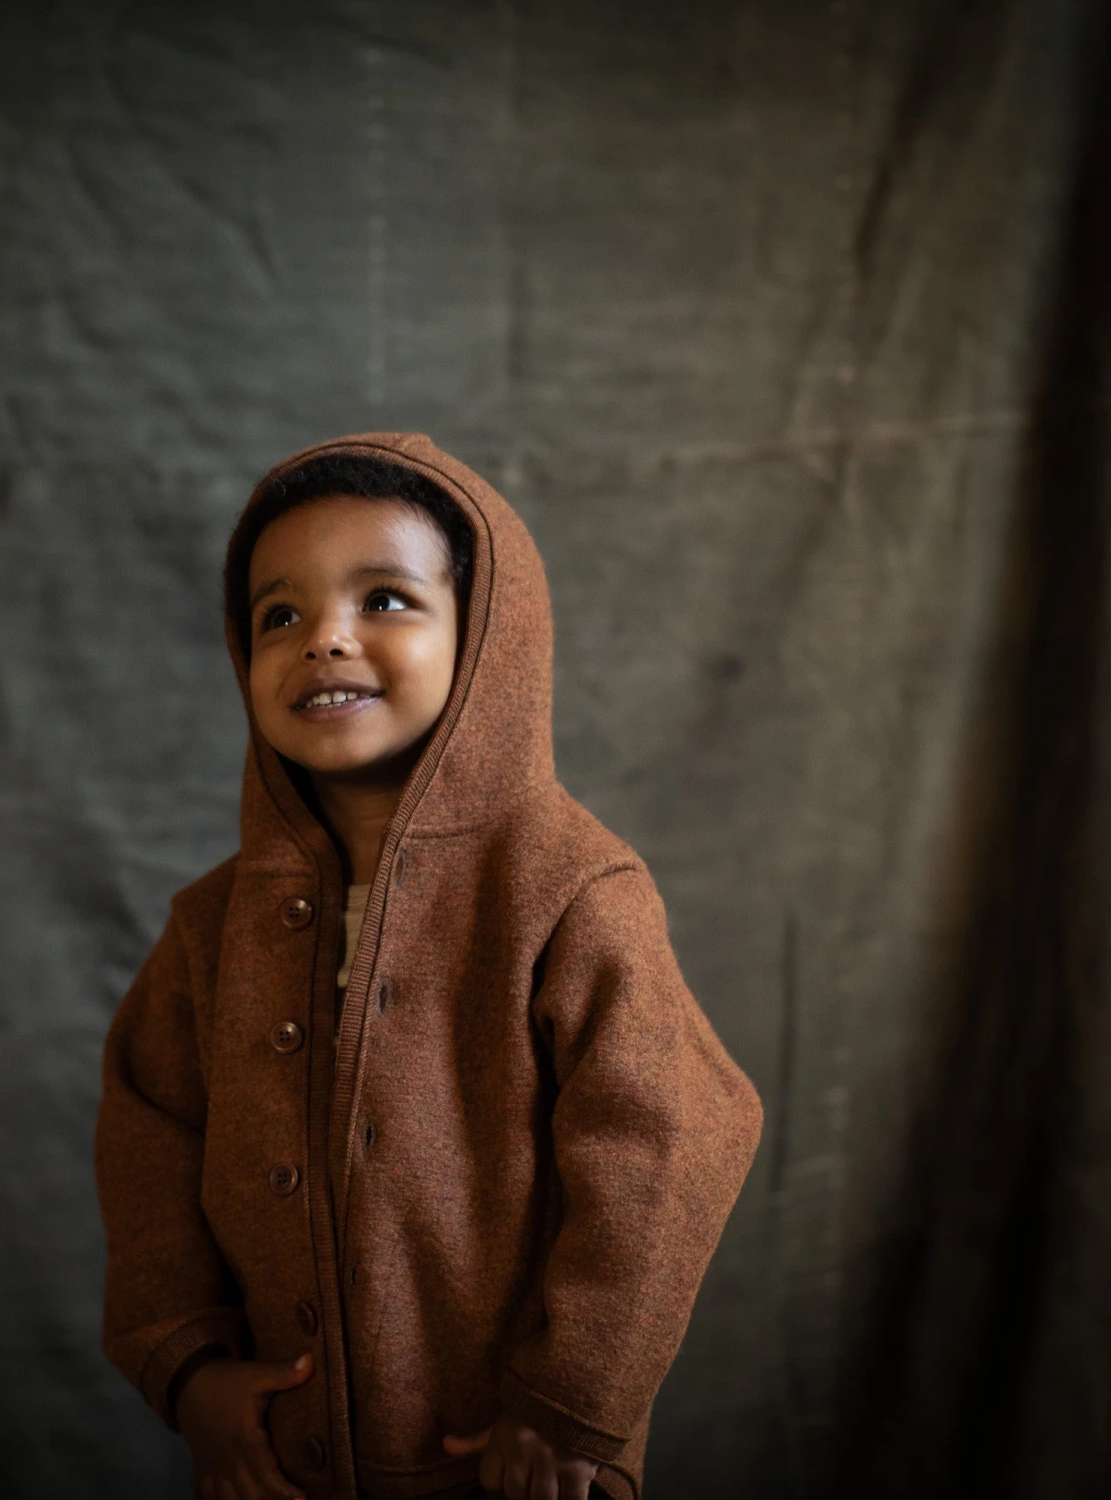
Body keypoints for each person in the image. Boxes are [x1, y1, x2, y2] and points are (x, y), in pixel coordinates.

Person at [95, 433, 763, 1500]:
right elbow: (148, 1144)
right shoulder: (211, 927)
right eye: (279, 616)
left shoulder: (572, 891)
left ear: (488, 634)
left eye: (385, 600)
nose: (325, 638)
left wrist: (571, 1403)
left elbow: (668, 1145)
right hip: (281, 1470)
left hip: (517, 1465)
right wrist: (190, 1368)